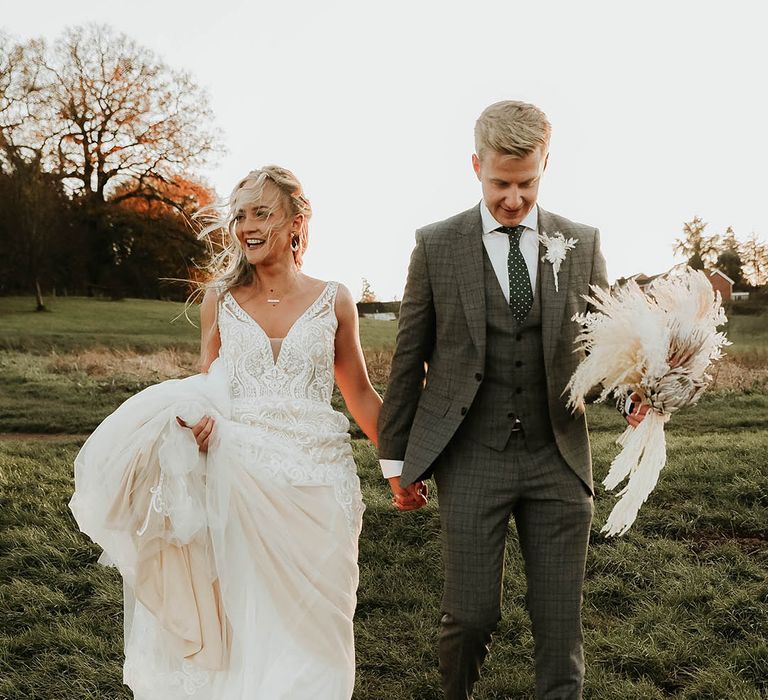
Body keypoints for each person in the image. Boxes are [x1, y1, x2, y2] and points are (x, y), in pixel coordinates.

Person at [70, 166, 384, 699]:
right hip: (241, 481)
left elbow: (359, 394)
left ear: (296, 221)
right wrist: (197, 422)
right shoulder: (221, 300)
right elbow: (208, 388)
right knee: (249, 621)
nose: (247, 226)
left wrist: (403, 466)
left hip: (321, 487)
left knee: (323, 631)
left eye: (262, 212)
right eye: (240, 215)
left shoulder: (335, 299)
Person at [378, 101, 642, 699]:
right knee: (470, 617)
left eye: (528, 183)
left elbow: (602, 349)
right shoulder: (436, 245)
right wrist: (397, 461)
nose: (514, 198)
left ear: (547, 165)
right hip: (472, 456)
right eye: (501, 183)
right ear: (475, 166)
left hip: (558, 456)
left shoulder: (581, 242)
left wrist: (632, 400)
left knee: (559, 627)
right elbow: (408, 357)